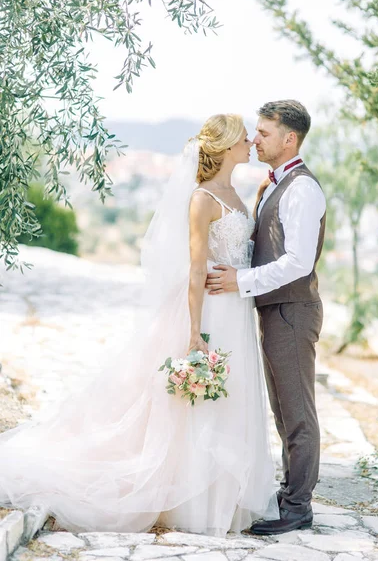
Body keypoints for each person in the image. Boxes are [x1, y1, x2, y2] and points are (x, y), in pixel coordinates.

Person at [0, 114, 278, 537]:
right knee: (196, 404)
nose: (250, 144)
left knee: (230, 397)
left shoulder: (236, 193)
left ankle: (222, 499)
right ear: (223, 148)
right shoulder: (202, 198)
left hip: (236, 309)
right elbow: (195, 267)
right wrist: (193, 331)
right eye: (243, 139)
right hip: (210, 312)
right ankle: (190, 500)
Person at [206, 100, 326, 535]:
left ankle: (298, 506)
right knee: (282, 407)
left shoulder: (302, 189)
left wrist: (241, 280)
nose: (255, 139)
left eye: (264, 133)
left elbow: (298, 262)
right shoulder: (275, 184)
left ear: (289, 138)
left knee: (296, 411)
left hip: (293, 310)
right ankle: (290, 490)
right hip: (275, 309)